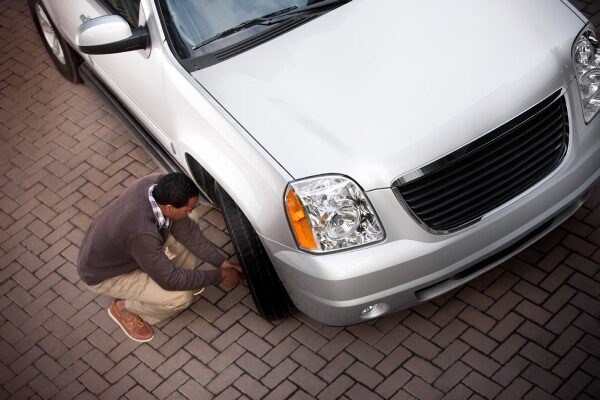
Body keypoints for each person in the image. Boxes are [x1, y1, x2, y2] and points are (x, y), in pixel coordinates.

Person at [77, 172, 243, 342]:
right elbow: (170, 280)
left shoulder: (156, 184)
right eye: (188, 208)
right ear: (169, 208)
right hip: (105, 275)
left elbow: (188, 233)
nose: (191, 210)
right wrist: (219, 276)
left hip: (118, 249)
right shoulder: (142, 233)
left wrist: (223, 264)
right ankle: (125, 308)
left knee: (190, 220)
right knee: (180, 297)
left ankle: (183, 280)